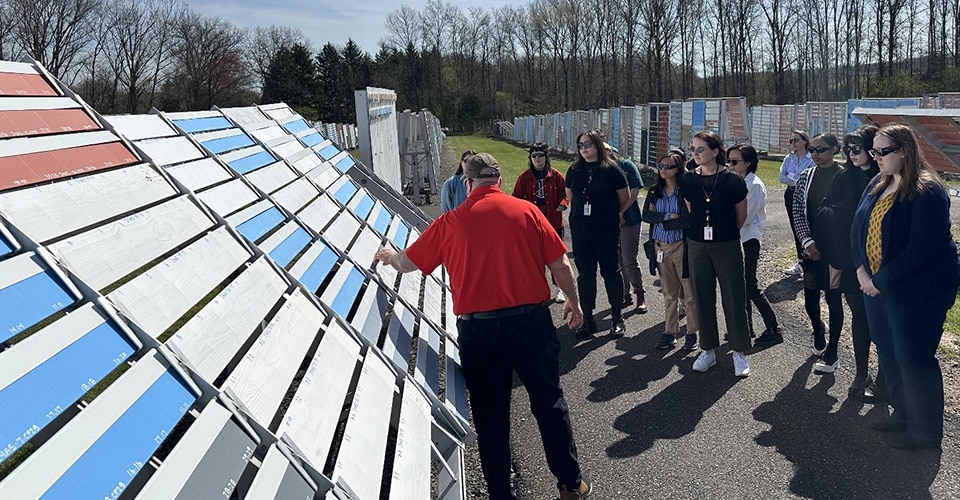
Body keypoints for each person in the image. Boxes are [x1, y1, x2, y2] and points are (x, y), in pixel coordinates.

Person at [374, 152, 593, 498]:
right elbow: (561, 265)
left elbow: (408, 262)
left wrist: (389, 258)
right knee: (549, 403)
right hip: (531, 323)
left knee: (491, 419)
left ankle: (500, 495)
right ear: (500, 181)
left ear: (467, 182)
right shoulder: (528, 212)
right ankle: (570, 482)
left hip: (479, 332)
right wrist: (574, 301)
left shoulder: (450, 222)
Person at [851, 124, 960, 450]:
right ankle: (902, 414)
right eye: (874, 151)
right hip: (875, 288)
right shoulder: (877, 182)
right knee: (889, 353)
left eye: (883, 151)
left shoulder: (927, 191)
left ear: (905, 151)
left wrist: (879, 282)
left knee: (914, 357)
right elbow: (857, 227)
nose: (876, 157)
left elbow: (921, 250)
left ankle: (926, 432)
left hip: (916, 292)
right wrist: (860, 271)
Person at [812, 126, 881, 392]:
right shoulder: (844, 176)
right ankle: (861, 373)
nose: (852, 154)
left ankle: (884, 377)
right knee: (860, 317)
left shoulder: (883, 176)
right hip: (850, 257)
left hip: (878, 258)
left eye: (858, 148)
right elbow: (825, 208)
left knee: (881, 321)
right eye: (849, 149)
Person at [681, 130, 751, 377]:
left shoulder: (732, 180)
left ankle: (739, 351)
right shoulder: (689, 179)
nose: (696, 154)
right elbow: (692, 210)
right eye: (693, 149)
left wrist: (725, 233)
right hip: (698, 244)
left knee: (733, 296)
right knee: (702, 296)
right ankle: (708, 349)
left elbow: (740, 216)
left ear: (714, 151)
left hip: (727, 244)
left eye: (700, 149)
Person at [565, 130, 631, 339]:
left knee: (611, 272)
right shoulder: (574, 170)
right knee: (586, 274)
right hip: (581, 230)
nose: (584, 148)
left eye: (588, 144)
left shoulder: (611, 170)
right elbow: (570, 194)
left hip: (606, 229)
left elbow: (625, 197)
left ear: (598, 146)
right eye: (581, 145)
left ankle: (616, 317)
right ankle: (588, 319)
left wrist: (611, 213)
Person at [790, 133, 843, 369]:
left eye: (820, 149)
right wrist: (807, 242)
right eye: (812, 149)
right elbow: (798, 212)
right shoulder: (806, 176)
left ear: (834, 149)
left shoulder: (844, 176)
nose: (815, 154)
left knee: (833, 298)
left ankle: (833, 350)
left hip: (835, 249)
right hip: (810, 247)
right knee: (811, 296)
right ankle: (817, 328)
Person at [641, 151, 698, 351]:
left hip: (680, 246)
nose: (664, 170)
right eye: (661, 166)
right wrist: (667, 216)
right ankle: (670, 331)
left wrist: (664, 218)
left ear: (678, 169)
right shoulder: (654, 191)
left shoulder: (684, 191)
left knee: (689, 293)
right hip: (660, 247)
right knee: (669, 293)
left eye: (669, 166)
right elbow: (646, 215)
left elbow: (685, 220)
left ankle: (692, 332)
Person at [727, 144, 782, 347]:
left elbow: (745, 217)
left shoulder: (754, 185)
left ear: (748, 162)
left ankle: (773, 328)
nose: (730, 165)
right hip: (737, 238)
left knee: (750, 285)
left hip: (748, 239)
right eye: (728, 161)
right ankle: (745, 327)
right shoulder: (736, 181)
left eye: (734, 162)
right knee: (739, 286)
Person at [513, 143, 569, 303]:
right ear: (530, 158)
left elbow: (566, 194)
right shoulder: (525, 177)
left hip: (554, 224)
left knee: (556, 259)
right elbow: (516, 198)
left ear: (546, 157)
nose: (537, 159)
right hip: (533, 225)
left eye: (540, 155)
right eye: (534, 156)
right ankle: (537, 291)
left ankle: (559, 290)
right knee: (534, 259)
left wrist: (563, 205)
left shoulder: (556, 175)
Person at [606, 142, 648, 313]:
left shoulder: (627, 166)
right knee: (617, 260)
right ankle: (625, 294)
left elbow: (635, 190)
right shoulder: (602, 170)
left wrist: (622, 210)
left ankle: (640, 293)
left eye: (608, 152)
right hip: (610, 221)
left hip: (630, 219)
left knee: (629, 258)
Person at [780, 130, 815, 276]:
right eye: (791, 141)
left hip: (807, 194)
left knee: (807, 226)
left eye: (796, 140)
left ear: (805, 141)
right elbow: (782, 177)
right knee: (796, 227)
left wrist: (794, 177)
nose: (793, 143)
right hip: (790, 193)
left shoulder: (811, 159)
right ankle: (801, 261)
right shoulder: (789, 158)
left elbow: (808, 177)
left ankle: (811, 257)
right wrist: (798, 178)